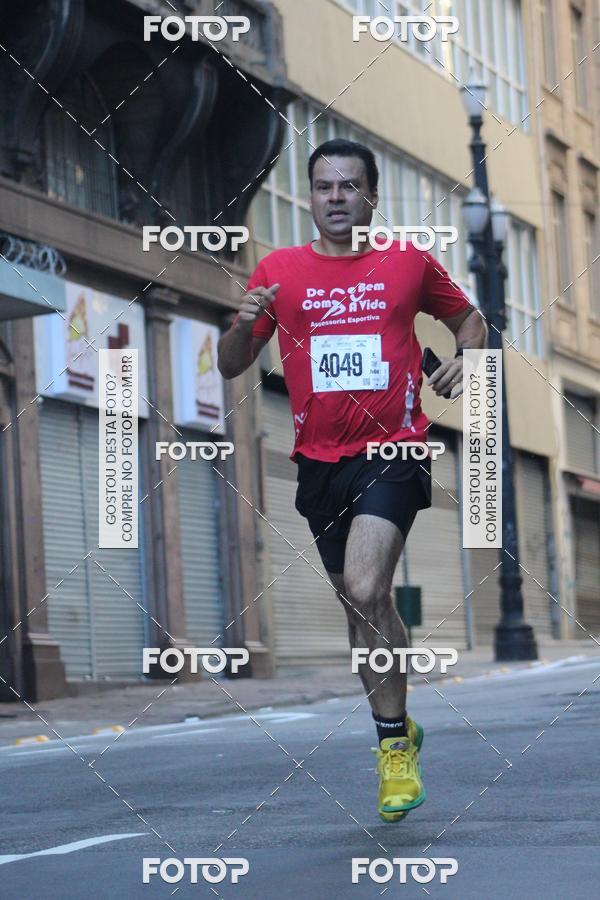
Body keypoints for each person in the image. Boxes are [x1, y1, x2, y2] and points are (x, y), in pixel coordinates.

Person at [218, 138, 487, 822]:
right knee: (359, 608)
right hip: (317, 461)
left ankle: (393, 749)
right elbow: (229, 364)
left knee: (367, 587)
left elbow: (473, 321)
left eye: (349, 186)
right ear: (311, 199)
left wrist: (467, 360)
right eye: (324, 187)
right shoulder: (278, 271)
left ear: (371, 196)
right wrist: (245, 324)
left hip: (395, 450)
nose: (336, 197)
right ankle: (399, 720)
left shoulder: (407, 263)